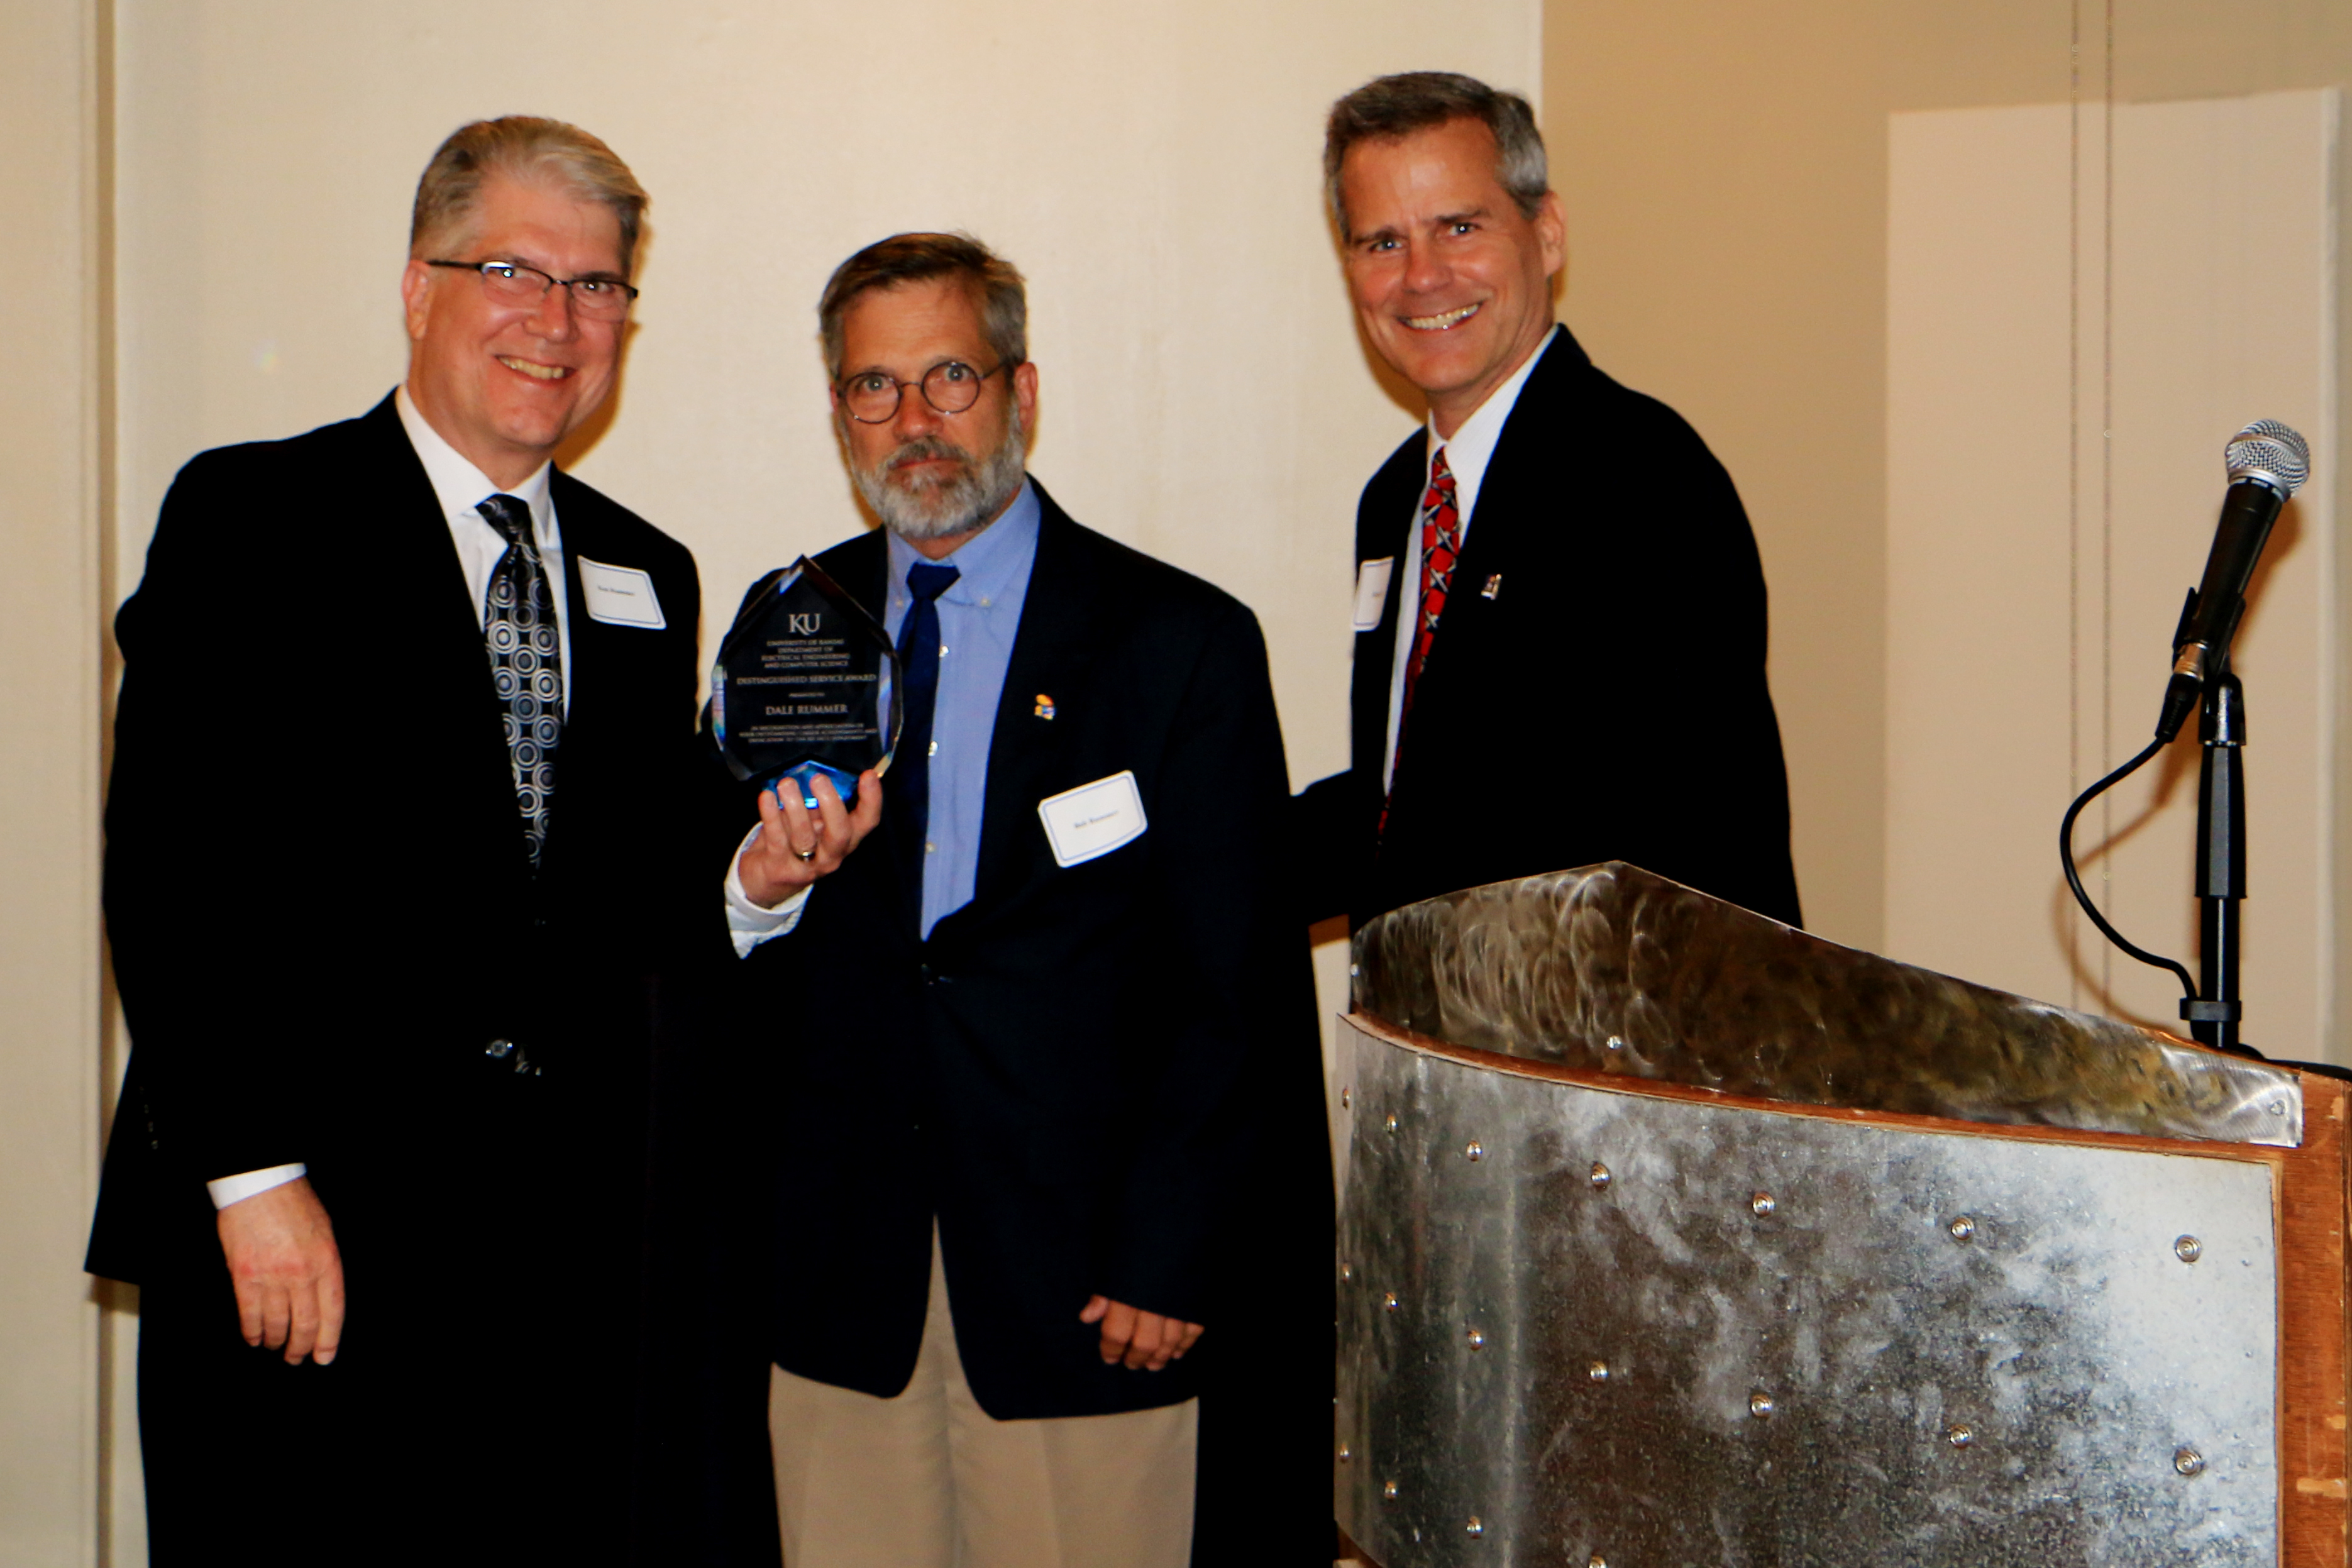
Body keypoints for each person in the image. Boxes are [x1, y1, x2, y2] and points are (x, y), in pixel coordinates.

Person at [87, 116, 705, 1561]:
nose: (557, 321)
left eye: (598, 285)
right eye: (513, 269)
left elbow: (613, 887)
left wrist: (753, 879)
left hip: (550, 1264)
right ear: (419, 286)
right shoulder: (254, 515)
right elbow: (171, 864)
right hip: (305, 1236)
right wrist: (251, 1174)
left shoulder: (644, 571)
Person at [713, 232, 1330, 1568]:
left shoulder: (1179, 645)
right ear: (837, 413)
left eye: (950, 375)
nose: (915, 422)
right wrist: (757, 892)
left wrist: (1173, 1253)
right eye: (874, 388)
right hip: (839, 1282)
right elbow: (730, 951)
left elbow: (1234, 988)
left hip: (1087, 1284)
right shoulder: (781, 642)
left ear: (1022, 390)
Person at [1295, 72, 1804, 931]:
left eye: (1458, 227)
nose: (1421, 276)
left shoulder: (1643, 481)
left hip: (1608, 1049)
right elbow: (1405, 798)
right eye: (1382, 242)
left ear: (1548, 233)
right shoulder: (1395, 503)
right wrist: (1178, 856)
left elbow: (1668, 837)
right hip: (1438, 1042)